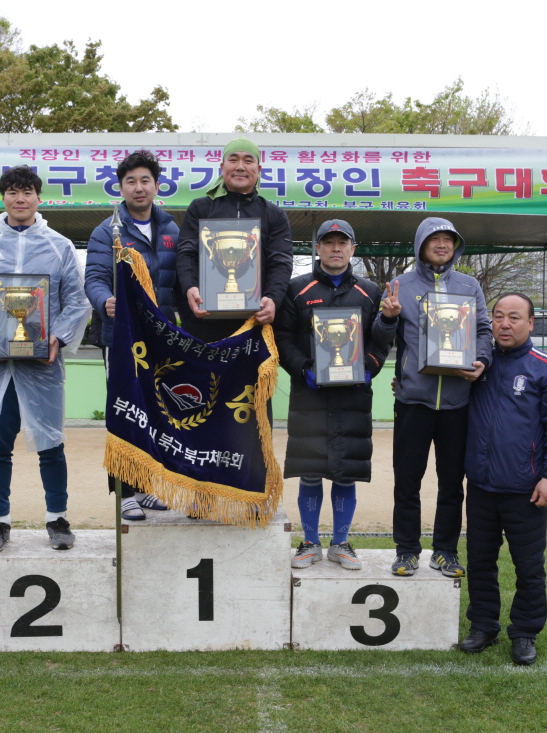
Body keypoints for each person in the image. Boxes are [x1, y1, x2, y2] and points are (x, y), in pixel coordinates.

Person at [0, 165, 90, 553]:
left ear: (38, 197)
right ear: (3, 198)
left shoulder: (60, 246)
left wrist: (58, 339)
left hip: (42, 366)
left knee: (51, 443)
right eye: (12, 191)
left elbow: (76, 301)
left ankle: (57, 518)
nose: (20, 198)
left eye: (27, 191)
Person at [374, 217, 492, 578]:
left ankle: (445, 550)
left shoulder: (469, 285)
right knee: (407, 480)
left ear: (456, 245)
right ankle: (407, 550)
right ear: (420, 244)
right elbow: (379, 335)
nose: (442, 244)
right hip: (413, 399)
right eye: (435, 239)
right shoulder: (400, 285)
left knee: (452, 481)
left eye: (449, 239)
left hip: (458, 400)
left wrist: (482, 361)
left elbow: (483, 329)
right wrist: (389, 317)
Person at [459, 293, 547, 665]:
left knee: (528, 566)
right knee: (479, 561)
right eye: (498, 317)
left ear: (530, 323)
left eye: (513, 317)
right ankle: (483, 625)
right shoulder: (479, 363)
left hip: (526, 490)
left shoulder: (546, 368)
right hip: (480, 486)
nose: (504, 324)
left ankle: (524, 632)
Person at [275, 220, 392, 570]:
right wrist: (303, 369)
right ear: (318, 248)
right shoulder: (296, 289)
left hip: (353, 397)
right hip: (310, 397)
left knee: (345, 472)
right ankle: (310, 542)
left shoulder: (371, 292)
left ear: (353, 249)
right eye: (329, 242)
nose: (336, 248)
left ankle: (341, 543)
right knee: (310, 472)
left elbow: (380, 341)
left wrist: (368, 366)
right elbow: (283, 338)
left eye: (343, 242)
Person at [84, 149, 175, 520]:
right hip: (120, 339)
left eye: (145, 180)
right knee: (125, 413)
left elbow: (187, 281)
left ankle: (150, 487)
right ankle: (125, 492)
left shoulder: (172, 230)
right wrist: (105, 300)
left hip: (162, 339)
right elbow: (93, 279)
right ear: (121, 187)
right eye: (131, 181)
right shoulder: (108, 230)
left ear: (156, 185)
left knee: (158, 412)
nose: (139, 188)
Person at [176, 137, 293, 342]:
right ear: (222, 167)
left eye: (248, 160)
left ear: (259, 169)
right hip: (205, 322)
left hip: (254, 322)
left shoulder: (274, 214)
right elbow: (187, 253)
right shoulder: (200, 208)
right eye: (233, 160)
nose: (240, 166)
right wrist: (190, 287)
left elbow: (280, 261)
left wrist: (273, 299)